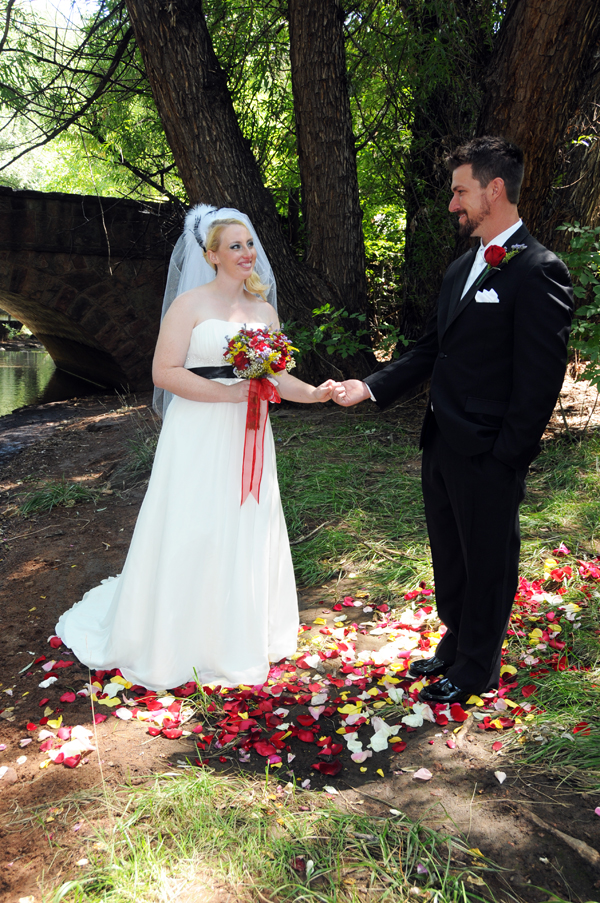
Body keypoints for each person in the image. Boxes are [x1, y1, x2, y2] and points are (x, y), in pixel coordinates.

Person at [333, 137, 573, 704]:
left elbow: (540, 379)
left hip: (490, 450)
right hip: (441, 440)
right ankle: (454, 646)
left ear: (495, 190)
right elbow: (429, 349)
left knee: (488, 561)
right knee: (450, 553)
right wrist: (367, 386)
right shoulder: (462, 267)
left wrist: (507, 456)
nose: (452, 204)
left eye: (459, 191)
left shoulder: (540, 270)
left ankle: (475, 671)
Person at [56, 205, 335, 691]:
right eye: (235, 246)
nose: (247, 254)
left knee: (243, 519)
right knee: (193, 520)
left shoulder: (264, 310)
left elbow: (277, 377)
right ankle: (175, 634)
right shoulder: (189, 306)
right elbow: (164, 374)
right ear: (210, 255)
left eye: (250, 244)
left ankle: (236, 631)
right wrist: (229, 393)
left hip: (247, 432)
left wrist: (314, 393)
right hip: (197, 429)